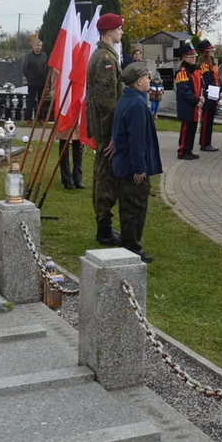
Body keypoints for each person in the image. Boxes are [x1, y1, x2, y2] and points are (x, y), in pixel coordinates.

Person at [111, 62, 162, 264]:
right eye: (147, 77)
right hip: (132, 167)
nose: (149, 80)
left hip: (123, 164)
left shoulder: (128, 99)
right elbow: (137, 139)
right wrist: (140, 168)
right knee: (135, 207)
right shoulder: (137, 104)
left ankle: (126, 241)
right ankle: (132, 248)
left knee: (128, 206)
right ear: (139, 80)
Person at [86, 13, 125, 246]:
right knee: (105, 177)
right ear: (109, 32)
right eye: (119, 29)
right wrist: (113, 135)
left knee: (106, 175)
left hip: (106, 128)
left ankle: (105, 226)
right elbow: (107, 101)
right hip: (106, 129)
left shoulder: (106, 54)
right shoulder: (104, 59)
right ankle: (104, 229)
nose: (122, 32)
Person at [174, 43, 203, 160]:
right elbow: (184, 90)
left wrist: (202, 96)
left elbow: (200, 85)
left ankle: (189, 150)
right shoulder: (182, 71)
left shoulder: (195, 69)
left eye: (194, 56)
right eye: (191, 56)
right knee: (186, 129)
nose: (194, 58)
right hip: (187, 105)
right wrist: (196, 100)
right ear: (185, 57)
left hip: (195, 104)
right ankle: (182, 151)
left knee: (192, 129)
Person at [197, 40, 220, 152]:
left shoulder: (211, 63)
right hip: (208, 94)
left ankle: (207, 142)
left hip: (213, 93)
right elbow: (209, 81)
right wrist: (216, 92)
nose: (213, 52)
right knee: (206, 120)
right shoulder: (204, 65)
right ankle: (205, 143)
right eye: (210, 50)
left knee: (209, 120)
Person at [22, 39, 49, 119]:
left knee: (41, 102)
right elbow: (24, 69)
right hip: (32, 83)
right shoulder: (28, 57)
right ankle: (29, 119)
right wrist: (29, 78)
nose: (38, 47)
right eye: (37, 45)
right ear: (33, 46)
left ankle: (40, 119)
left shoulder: (44, 55)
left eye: (40, 46)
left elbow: (45, 68)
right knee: (30, 102)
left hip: (42, 82)